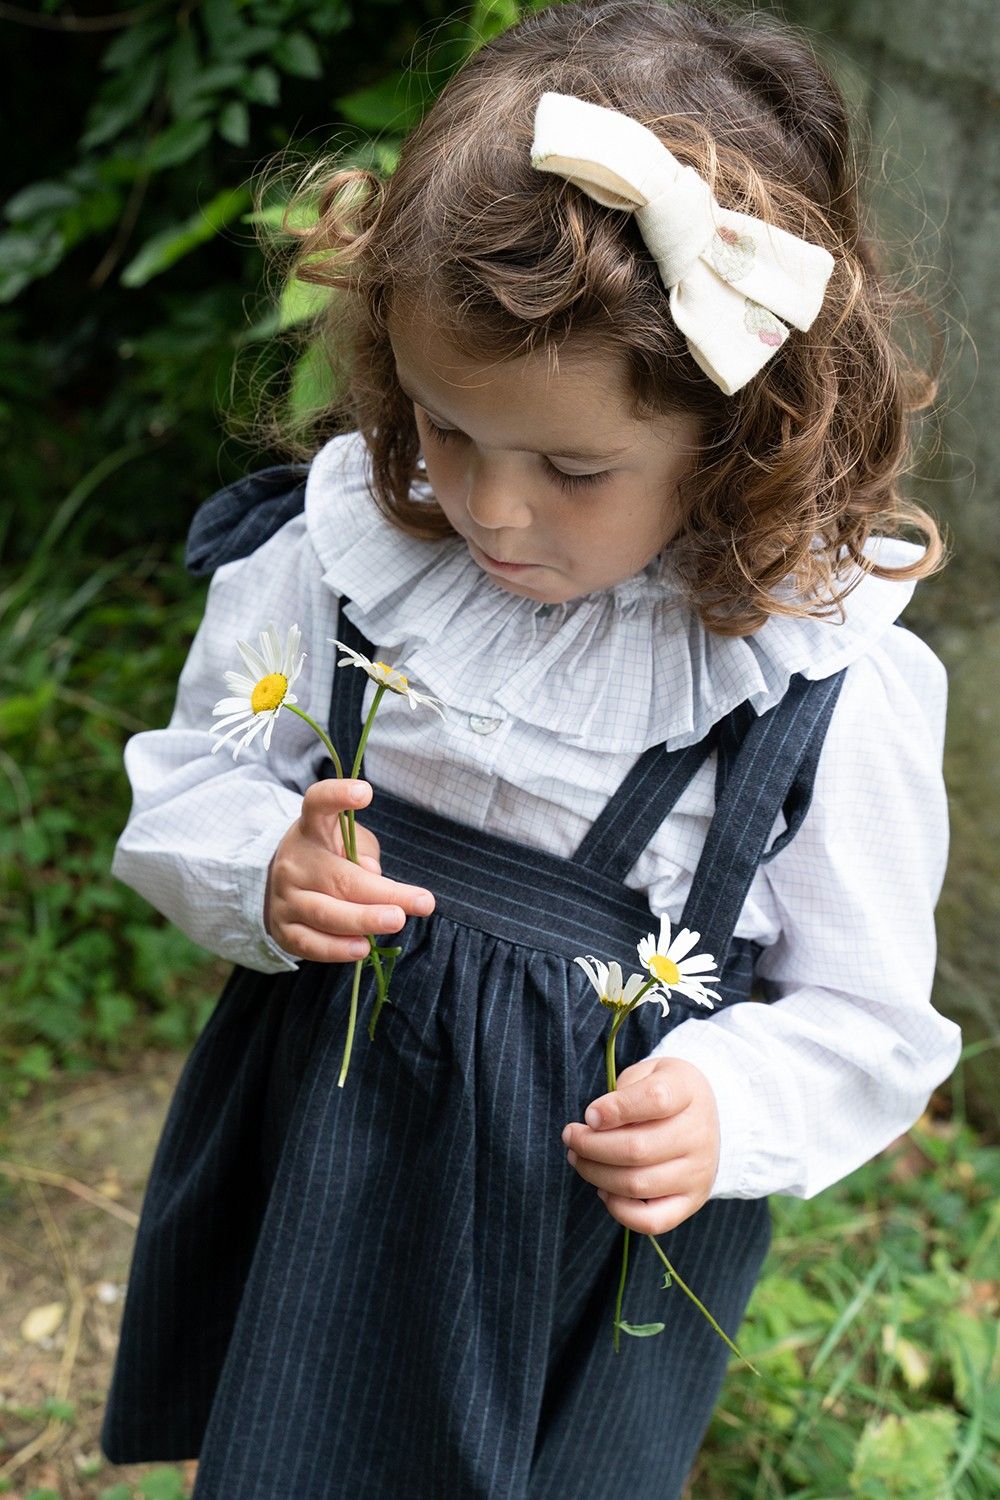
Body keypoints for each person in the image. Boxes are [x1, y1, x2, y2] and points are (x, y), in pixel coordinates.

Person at [100, 2, 962, 1495]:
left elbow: (869, 1022)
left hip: (560, 1219)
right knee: (284, 1439)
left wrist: (725, 1106)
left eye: (574, 468)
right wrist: (265, 860)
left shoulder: (818, 677)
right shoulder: (346, 556)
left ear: (740, 430)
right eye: (443, 426)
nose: (491, 511)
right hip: (328, 1146)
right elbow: (191, 782)